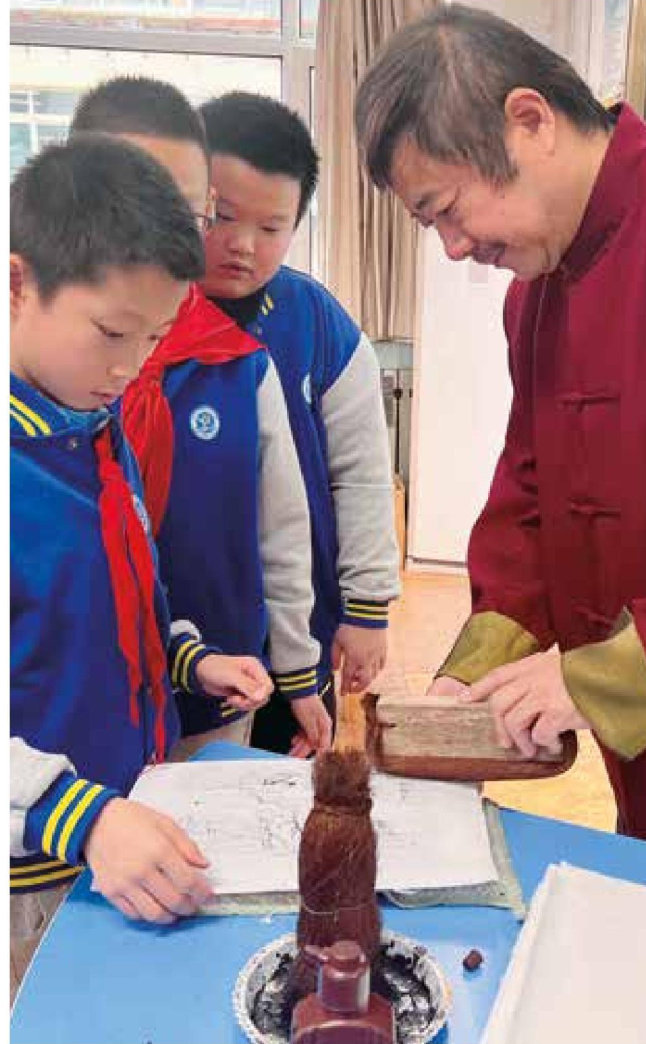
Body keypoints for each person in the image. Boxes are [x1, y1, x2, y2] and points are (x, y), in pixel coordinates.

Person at [354, 6, 646, 905]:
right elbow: (528, 505)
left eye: (447, 210)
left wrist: (588, 680)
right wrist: (465, 682)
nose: (456, 247)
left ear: (530, 120)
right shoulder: (537, 294)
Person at [10, 135, 272, 995]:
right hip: (31, 875)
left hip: (126, 835)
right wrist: (75, 818)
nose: (128, 369)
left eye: (154, 339)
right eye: (111, 333)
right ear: (17, 284)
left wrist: (188, 658)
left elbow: (122, 596)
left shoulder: (94, 424)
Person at [68, 77, 326, 760]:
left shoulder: (238, 363)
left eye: (185, 212)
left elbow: (282, 534)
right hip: (61, 725)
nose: (158, 236)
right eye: (129, 201)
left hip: (210, 684)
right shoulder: (50, 384)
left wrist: (296, 669)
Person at [196, 92, 402, 754]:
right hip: (186, 634)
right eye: (222, 216)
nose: (242, 245)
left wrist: (367, 609)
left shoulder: (318, 322)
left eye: (271, 227)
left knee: (287, 783)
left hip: (300, 631)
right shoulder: (139, 316)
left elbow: (362, 473)